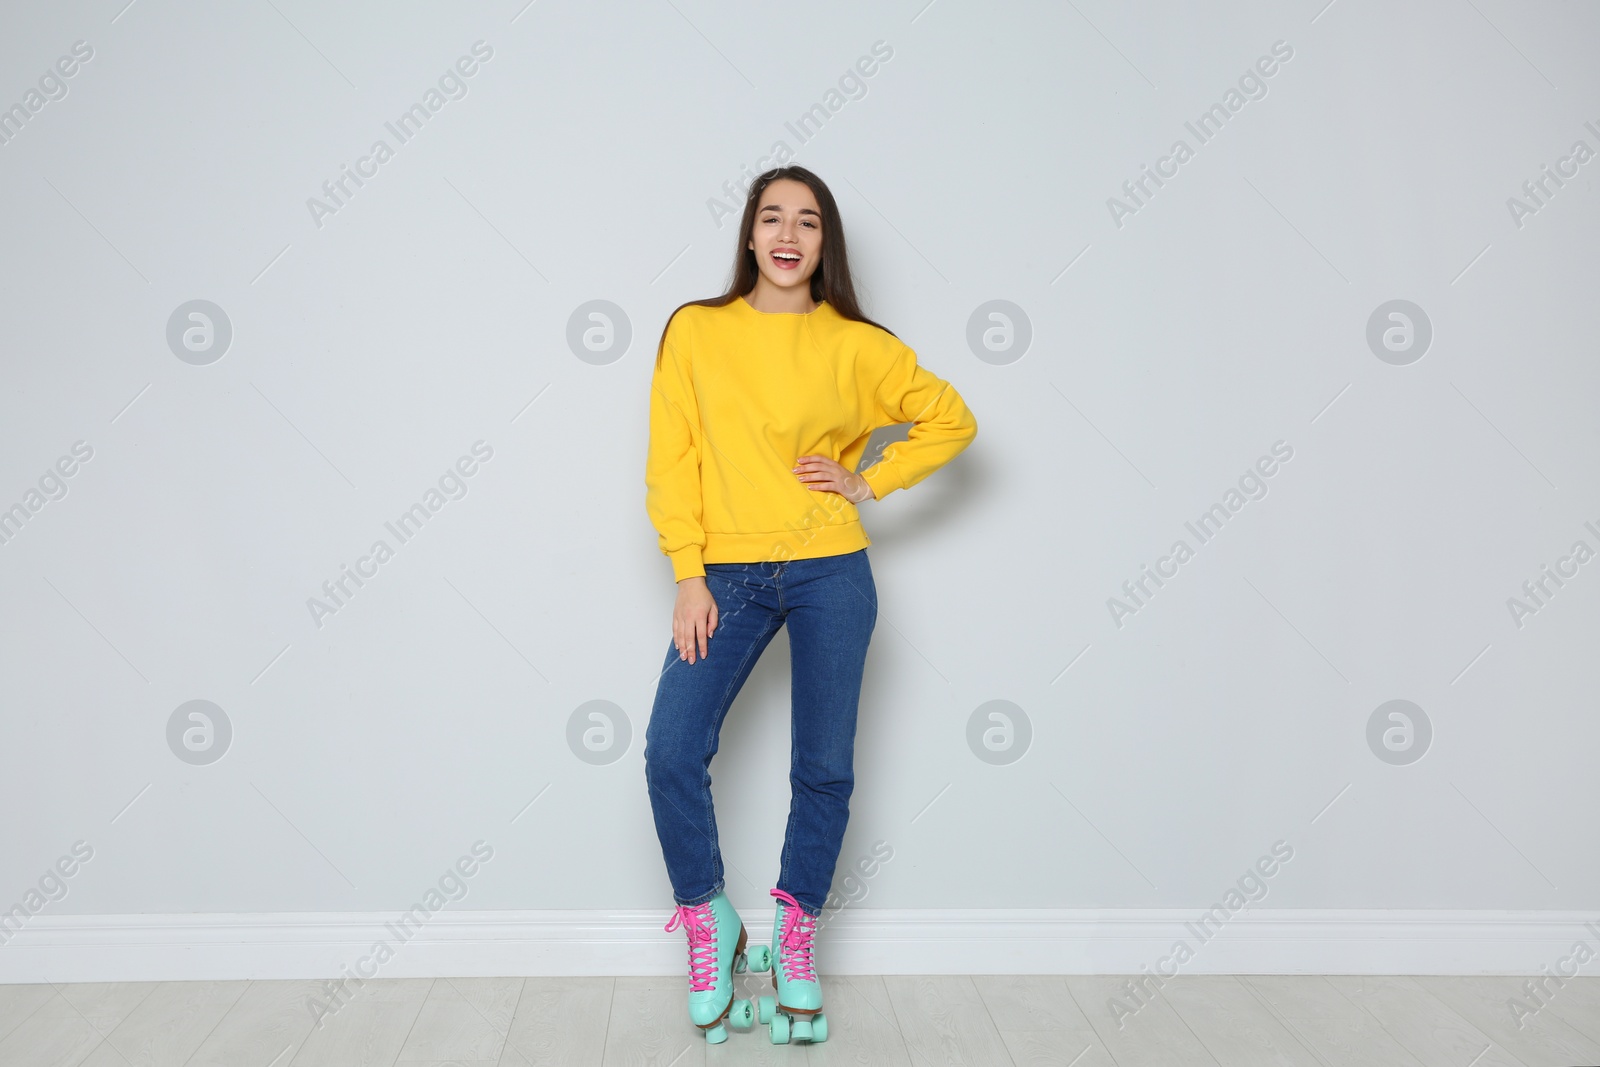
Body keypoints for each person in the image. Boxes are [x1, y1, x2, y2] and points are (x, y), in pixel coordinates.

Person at [642, 164, 978, 1045]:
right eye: (772, 217)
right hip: (727, 574)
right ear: (749, 235)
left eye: (808, 222)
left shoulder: (857, 345)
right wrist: (687, 570)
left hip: (833, 569)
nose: (789, 234)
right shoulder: (696, 331)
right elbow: (672, 457)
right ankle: (710, 923)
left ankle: (796, 937)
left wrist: (870, 479)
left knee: (823, 765)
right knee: (672, 748)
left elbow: (951, 418)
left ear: (825, 242)